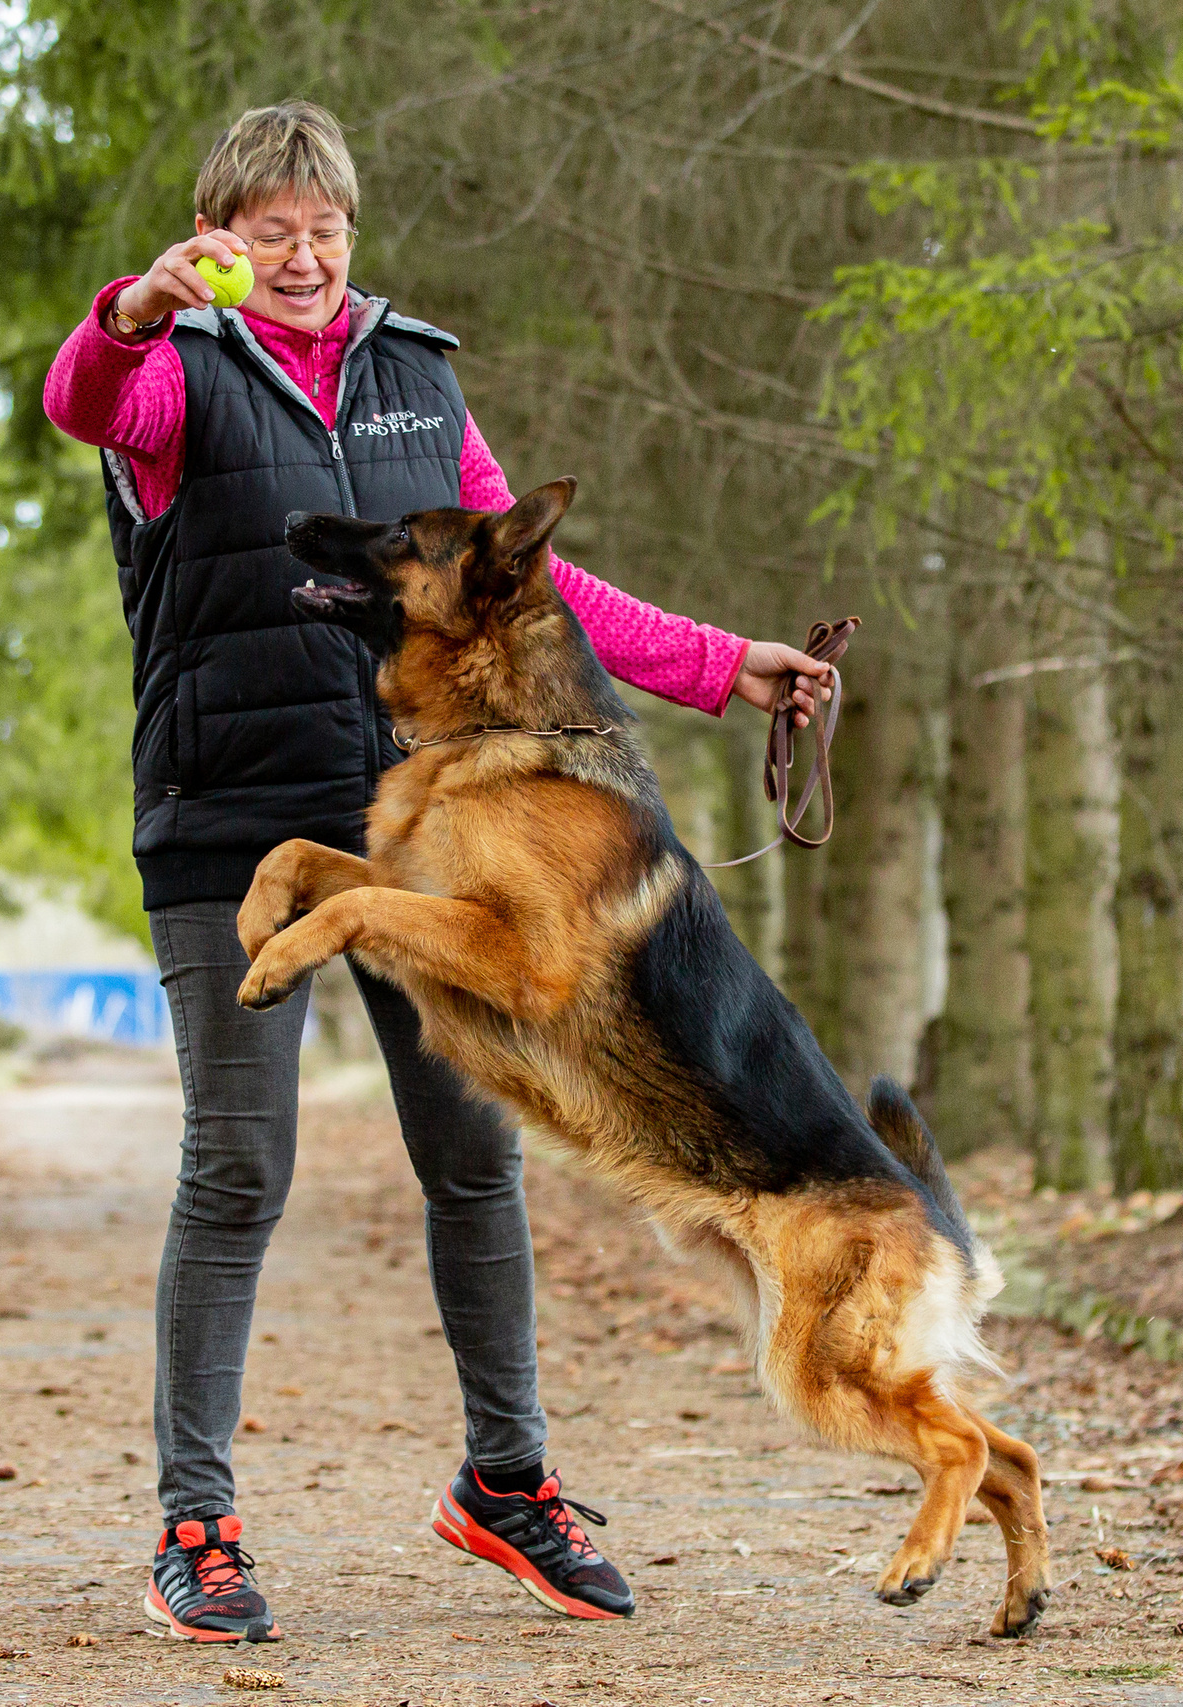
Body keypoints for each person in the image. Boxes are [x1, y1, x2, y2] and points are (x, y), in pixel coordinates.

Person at [42, 99, 829, 1645]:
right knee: (238, 1166)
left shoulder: (416, 373)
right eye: (268, 230)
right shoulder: (173, 378)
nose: (302, 254)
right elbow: (84, 396)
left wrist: (720, 663)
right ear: (219, 235)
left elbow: (526, 580)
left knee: (476, 1162)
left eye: (323, 226)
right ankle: (194, 1523)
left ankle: (507, 1481)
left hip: (425, 834)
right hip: (230, 823)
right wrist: (138, 306)